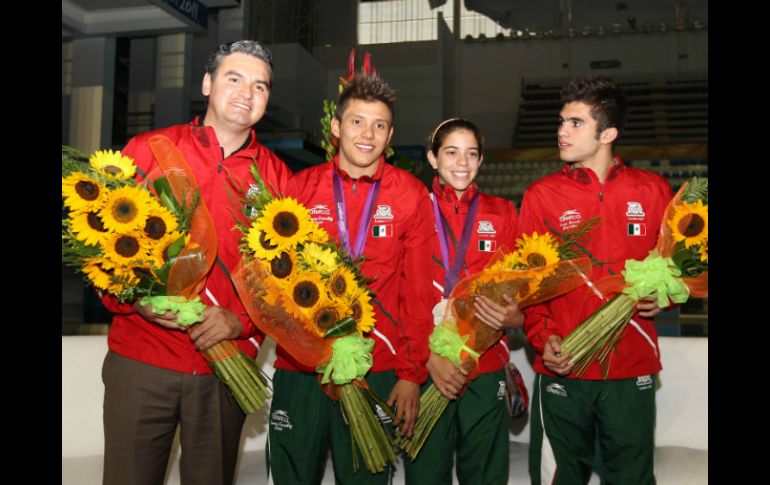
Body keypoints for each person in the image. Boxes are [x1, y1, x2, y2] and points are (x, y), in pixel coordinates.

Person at [99, 40, 292, 485]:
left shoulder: (277, 179)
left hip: (224, 368)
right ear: (207, 84)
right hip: (143, 357)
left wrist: (241, 322)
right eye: (234, 78)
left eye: (260, 86)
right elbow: (104, 245)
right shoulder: (150, 149)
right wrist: (135, 301)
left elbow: (284, 281)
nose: (247, 92)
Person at [267, 73, 435, 484]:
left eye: (379, 125)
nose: (368, 134)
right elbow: (274, 277)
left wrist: (411, 374)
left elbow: (417, 292)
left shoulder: (410, 194)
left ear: (391, 135)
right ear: (337, 127)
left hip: (375, 364)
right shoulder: (300, 189)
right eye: (357, 121)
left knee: (367, 477)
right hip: (302, 365)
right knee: (291, 475)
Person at [518, 76, 673, 485]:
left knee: (632, 477)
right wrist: (542, 338)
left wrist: (667, 296)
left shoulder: (654, 191)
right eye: (561, 121)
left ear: (608, 133)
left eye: (575, 123)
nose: (561, 131)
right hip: (565, 365)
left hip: (631, 365)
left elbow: (679, 269)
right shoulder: (541, 195)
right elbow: (530, 284)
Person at [403, 118, 524, 484]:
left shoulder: (503, 212)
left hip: (483, 366)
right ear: (433, 159)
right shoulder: (413, 208)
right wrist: (428, 357)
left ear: (481, 160)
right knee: (426, 473)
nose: (462, 162)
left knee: (485, 475)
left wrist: (516, 315)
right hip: (428, 368)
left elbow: (520, 289)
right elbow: (398, 293)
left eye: (472, 154)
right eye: (451, 152)